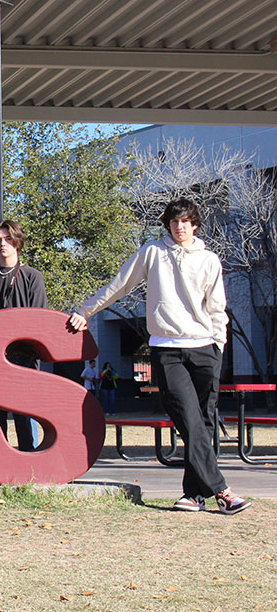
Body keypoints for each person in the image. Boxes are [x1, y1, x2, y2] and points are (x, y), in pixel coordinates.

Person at [68, 197, 250, 514]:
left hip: (205, 347)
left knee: (204, 424)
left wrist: (218, 344)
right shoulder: (152, 253)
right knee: (190, 421)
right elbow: (119, 285)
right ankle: (222, 491)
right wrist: (86, 310)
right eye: (174, 221)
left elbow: (217, 308)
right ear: (167, 224)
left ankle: (193, 496)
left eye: (185, 221)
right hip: (167, 349)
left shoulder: (209, 260)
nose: (179, 226)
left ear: (195, 224)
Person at [0, 219, 49, 452]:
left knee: (25, 416)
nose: (2, 244)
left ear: (17, 242)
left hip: (22, 360)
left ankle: (29, 463)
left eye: (7, 239)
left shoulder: (32, 277)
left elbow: (39, 321)